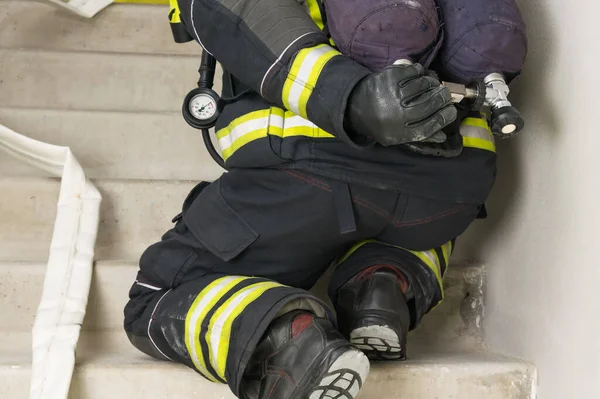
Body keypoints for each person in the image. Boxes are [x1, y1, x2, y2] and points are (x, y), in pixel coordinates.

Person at [124, 1, 527, 398]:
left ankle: (285, 341)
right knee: (414, 215)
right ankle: (383, 284)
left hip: (312, 174)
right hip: (449, 190)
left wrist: (351, 98)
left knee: (152, 301)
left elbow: (244, 12)